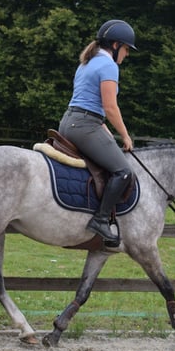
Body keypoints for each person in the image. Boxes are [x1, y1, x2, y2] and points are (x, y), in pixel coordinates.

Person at [58, 19, 136, 246]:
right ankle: (101, 219)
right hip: (84, 126)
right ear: (115, 45)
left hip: (70, 121)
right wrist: (125, 135)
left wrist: (102, 126)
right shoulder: (109, 66)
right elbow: (110, 106)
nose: (126, 54)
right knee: (122, 171)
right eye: (126, 49)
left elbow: (88, 101)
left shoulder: (86, 62)